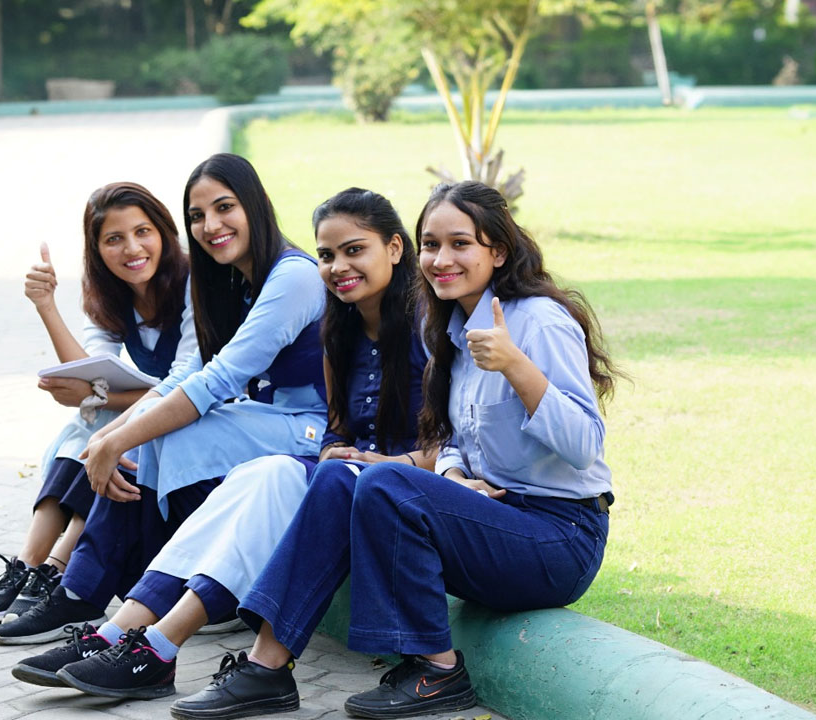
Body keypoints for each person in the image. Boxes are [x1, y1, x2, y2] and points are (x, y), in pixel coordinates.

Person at [168, 180, 623, 720]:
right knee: (337, 477)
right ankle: (266, 668)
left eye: (460, 244)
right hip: (494, 520)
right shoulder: (451, 326)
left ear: (498, 251)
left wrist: (516, 366)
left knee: (384, 482)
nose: (441, 259)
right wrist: (452, 477)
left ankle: (437, 670)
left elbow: (584, 446)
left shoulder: (537, 322)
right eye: (431, 244)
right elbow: (451, 441)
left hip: (559, 537)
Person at [10, 188, 431, 701]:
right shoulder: (340, 324)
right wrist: (333, 450)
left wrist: (390, 460)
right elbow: (337, 426)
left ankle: (155, 644)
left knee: (218, 458)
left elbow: (455, 440)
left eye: (354, 250)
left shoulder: (425, 324)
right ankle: (122, 632)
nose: (338, 267)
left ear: (394, 247)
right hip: (338, 468)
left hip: (389, 477)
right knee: (258, 474)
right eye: (328, 254)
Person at [0, 153, 328, 645]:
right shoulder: (233, 279)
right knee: (136, 433)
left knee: (153, 437)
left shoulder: (293, 276)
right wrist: (108, 436)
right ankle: (100, 590)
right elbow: (186, 376)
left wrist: (120, 439)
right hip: (267, 418)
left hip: (312, 427)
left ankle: (86, 591)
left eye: (224, 207)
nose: (211, 225)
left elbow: (218, 380)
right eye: (198, 215)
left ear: (256, 203)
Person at [0, 182, 195, 624]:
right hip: (163, 405)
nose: (132, 248)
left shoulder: (194, 286)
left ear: (165, 232)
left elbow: (186, 384)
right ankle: (31, 564)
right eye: (114, 239)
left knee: (106, 420)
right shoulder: (112, 295)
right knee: (94, 419)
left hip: (209, 411)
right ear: (97, 250)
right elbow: (92, 371)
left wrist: (97, 395)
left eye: (143, 232)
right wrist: (46, 306)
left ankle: (55, 567)